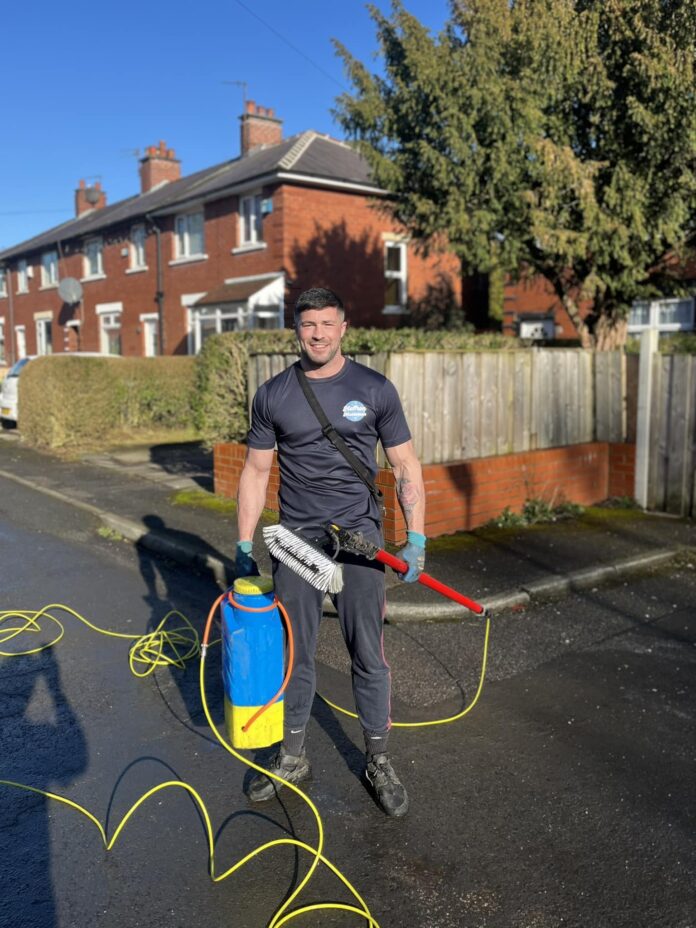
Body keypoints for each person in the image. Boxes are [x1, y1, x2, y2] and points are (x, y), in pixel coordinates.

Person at [234, 286, 426, 817]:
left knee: (368, 653)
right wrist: (242, 544)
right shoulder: (273, 394)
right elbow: (255, 472)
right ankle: (292, 755)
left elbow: (406, 467)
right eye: (307, 325)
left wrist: (418, 539)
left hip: (361, 541)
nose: (317, 333)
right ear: (295, 330)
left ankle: (379, 759)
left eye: (327, 324)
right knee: (296, 653)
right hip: (296, 543)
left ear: (344, 328)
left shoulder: (375, 388)